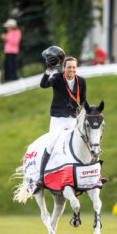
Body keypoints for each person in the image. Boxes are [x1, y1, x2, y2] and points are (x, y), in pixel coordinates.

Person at [37, 47, 87, 188]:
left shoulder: (81, 81)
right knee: (52, 145)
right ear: (64, 68)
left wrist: (83, 110)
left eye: (74, 67)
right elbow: (43, 85)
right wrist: (48, 70)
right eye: (69, 67)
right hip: (58, 118)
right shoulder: (57, 78)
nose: (71, 70)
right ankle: (41, 177)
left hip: (72, 118)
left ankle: (86, 175)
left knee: (81, 143)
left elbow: (83, 100)